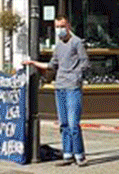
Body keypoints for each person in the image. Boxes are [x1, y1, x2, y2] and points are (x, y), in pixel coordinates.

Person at [30, 16, 90, 165]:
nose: (60, 30)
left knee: (73, 123)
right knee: (63, 123)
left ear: (68, 26)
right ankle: (67, 154)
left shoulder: (77, 43)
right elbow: (52, 65)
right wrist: (33, 63)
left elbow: (85, 63)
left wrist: (77, 77)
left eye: (62, 26)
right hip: (60, 87)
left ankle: (80, 155)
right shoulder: (58, 46)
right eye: (57, 27)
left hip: (73, 87)